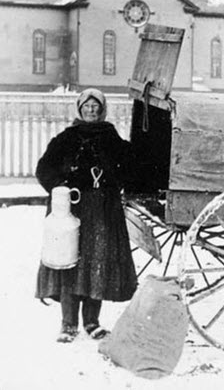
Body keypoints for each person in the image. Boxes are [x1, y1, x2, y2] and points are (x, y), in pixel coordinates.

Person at [35, 88, 138, 343]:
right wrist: (60, 185)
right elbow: (44, 169)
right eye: (87, 106)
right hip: (73, 209)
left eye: (96, 106)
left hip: (103, 210)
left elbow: (129, 164)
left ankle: (92, 322)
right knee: (70, 262)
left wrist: (118, 181)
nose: (91, 110)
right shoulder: (66, 138)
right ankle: (68, 324)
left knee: (98, 262)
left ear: (102, 110)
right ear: (79, 109)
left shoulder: (110, 136)